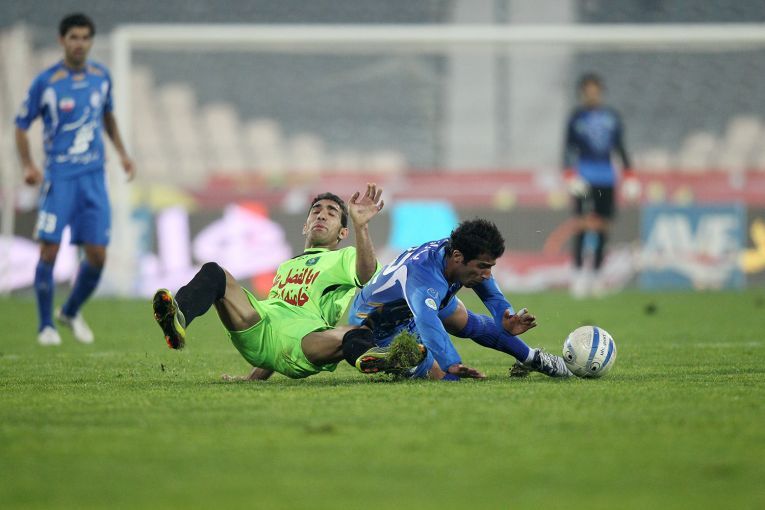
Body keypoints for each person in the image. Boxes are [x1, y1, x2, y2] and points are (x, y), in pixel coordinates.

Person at [152, 185, 423, 381]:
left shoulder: (344, 257)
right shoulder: (286, 266)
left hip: (307, 342)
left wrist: (361, 226)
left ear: (342, 232)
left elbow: (366, 275)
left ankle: (379, 359)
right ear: (305, 226)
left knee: (354, 333)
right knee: (214, 272)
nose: (321, 215)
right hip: (260, 329)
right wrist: (252, 379)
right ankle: (178, 319)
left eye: (331, 212)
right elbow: (279, 326)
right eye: (316, 211)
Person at [14, 13, 135, 345]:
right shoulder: (46, 82)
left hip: (94, 178)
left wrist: (122, 154)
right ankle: (45, 326)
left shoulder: (101, 77)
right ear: (62, 40)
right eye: (73, 38)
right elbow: (21, 125)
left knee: (98, 256)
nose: (79, 44)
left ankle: (69, 311)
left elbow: (107, 116)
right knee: (49, 250)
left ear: (91, 41)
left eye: (85, 38)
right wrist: (28, 165)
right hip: (60, 178)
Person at [348, 218, 573, 380]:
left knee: (464, 318)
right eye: (483, 266)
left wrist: (505, 315)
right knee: (443, 375)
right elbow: (426, 320)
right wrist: (451, 363)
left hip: (412, 307)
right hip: (376, 325)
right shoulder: (425, 277)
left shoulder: (457, 252)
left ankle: (534, 359)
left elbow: (489, 289)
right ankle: (394, 360)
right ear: (458, 257)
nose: (487, 274)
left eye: (490, 267)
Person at [562, 72, 639, 298]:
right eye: (588, 92)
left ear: (601, 92)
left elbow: (620, 147)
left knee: (603, 226)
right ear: (582, 94)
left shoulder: (611, 117)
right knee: (583, 224)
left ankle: (597, 275)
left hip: (606, 177)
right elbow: (568, 148)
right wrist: (569, 175)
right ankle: (578, 275)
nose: (592, 95)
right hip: (584, 177)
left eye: (595, 91)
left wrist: (629, 175)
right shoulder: (576, 118)